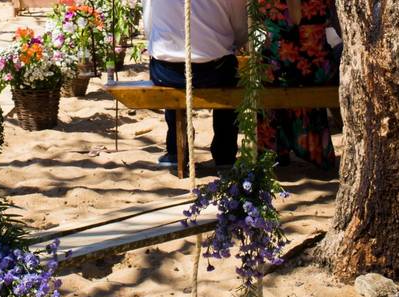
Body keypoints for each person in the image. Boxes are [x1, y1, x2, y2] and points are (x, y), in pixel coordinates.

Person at [143, 0, 248, 171]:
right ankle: (225, 155)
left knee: (173, 74)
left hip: (167, 72)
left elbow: (149, 27)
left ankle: (175, 150)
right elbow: (241, 31)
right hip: (214, 70)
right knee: (230, 75)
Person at [257, 0, 337, 169]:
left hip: (279, 66)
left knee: (267, 75)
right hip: (316, 66)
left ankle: (275, 151)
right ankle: (316, 151)